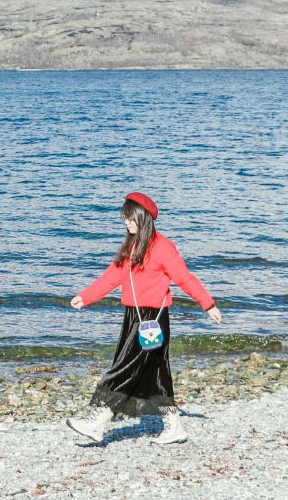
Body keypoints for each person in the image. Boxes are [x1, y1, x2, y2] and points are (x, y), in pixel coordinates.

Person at [65, 191, 221, 445]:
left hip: (153, 319)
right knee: (157, 373)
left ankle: (97, 423)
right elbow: (111, 277)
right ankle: (174, 428)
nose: (127, 223)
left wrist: (208, 304)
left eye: (131, 218)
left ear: (143, 218)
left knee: (123, 368)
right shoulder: (131, 246)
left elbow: (184, 278)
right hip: (133, 316)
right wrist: (86, 296)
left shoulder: (163, 247)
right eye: (124, 218)